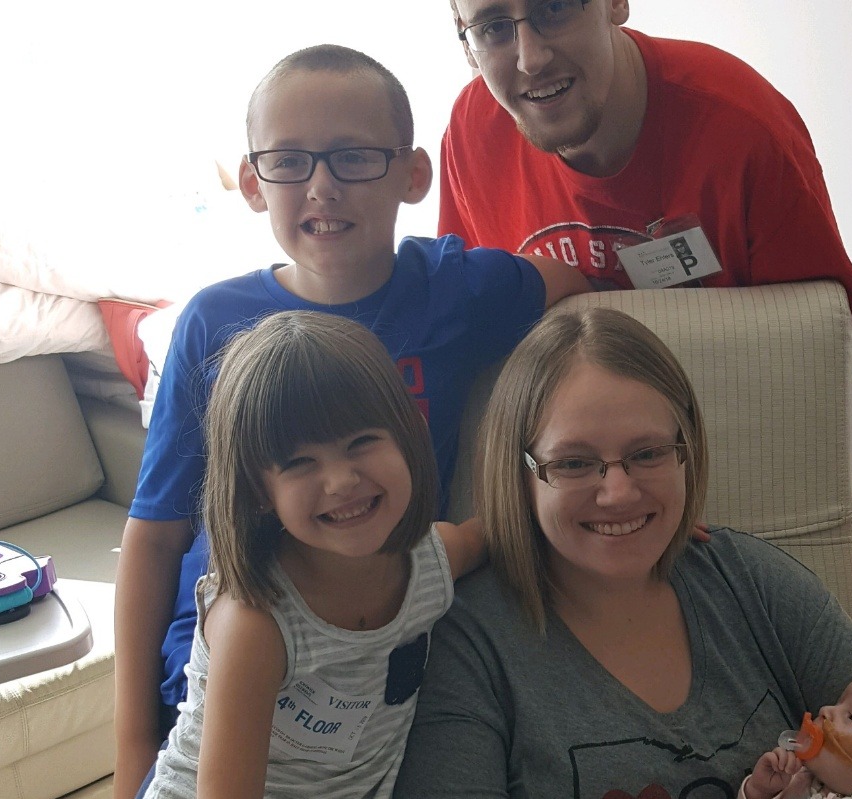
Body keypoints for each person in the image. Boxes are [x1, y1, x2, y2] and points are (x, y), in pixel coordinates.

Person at [113, 44, 591, 799]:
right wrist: (133, 745)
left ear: (413, 175)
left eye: (355, 157)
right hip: (226, 670)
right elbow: (155, 533)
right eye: (289, 161)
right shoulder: (213, 320)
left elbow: (580, 294)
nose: (322, 186)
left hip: (375, 662)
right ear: (252, 182)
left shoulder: (455, 288)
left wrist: (611, 484)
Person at [394, 306, 852, 797]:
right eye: (573, 462)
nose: (619, 493)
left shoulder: (751, 580)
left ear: (686, 451)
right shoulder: (467, 642)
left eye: (647, 453)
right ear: (519, 474)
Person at [140, 311, 479, 799]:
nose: (341, 481)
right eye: (300, 463)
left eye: (361, 442)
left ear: (410, 437)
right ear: (259, 491)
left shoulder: (433, 560)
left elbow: (501, 533)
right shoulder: (255, 623)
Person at [440, 0, 852, 377]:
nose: (531, 60)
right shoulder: (471, 135)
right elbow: (459, 335)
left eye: (555, 7)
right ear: (464, 40)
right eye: (493, 27)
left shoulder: (743, 130)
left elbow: (836, 353)